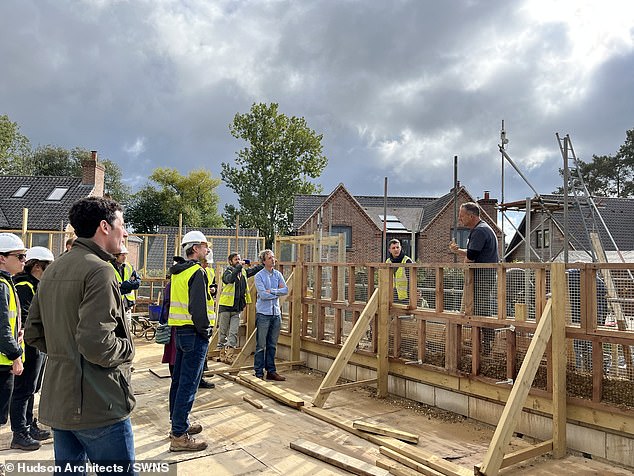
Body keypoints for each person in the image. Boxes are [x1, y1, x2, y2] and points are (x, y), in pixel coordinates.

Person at [24, 197, 136, 473]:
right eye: (122, 225)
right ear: (104, 227)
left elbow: (33, 332)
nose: (125, 233)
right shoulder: (100, 271)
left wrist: (66, 353)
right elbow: (96, 344)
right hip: (99, 405)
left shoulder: (55, 269)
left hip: (61, 402)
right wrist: (127, 348)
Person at [167, 230, 212, 452]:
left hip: (181, 332)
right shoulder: (196, 272)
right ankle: (179, 436)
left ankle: (177, 424)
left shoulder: (178, 272)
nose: (207, 249)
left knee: (178, 380)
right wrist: (206, 331)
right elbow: (198, 309)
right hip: (194, 333)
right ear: (195, 249)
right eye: (204, 246)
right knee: (189, 383)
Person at [10, 246, 55, 451]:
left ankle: (28, 425)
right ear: (37, 266)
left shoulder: (36, 285)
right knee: (23, 389)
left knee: (31, 388)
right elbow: (28, 319)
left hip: (37, 345)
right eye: (48, 267)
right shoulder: (25, 286)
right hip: (29, 346)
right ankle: (20, 432)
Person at [449, 202, 499, 354]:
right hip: (483, 275)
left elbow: (471, 255)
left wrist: (460, 254)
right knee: (478, 307)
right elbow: (473, 252)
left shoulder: (480, 231)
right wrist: (459, 251)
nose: (459, 219)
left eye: (462, 216)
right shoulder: (481, 229)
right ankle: (482, 343)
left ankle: (486, 344)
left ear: (471, 216)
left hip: (482, 276)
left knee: (481, 308)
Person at [0, 234, 26, 436]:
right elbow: (2, 329)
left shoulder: (7, 283)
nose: (24, 261)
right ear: (2, 258)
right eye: (19, 256)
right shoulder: (2, 286)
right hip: (3, 362)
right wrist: (16, 355)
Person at [217, 253, 263, 364]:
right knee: (223, 332)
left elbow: (253, 270)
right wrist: (238, 267)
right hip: (226, 307)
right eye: (236, 259)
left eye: (239, 259)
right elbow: (230, 279)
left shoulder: (242, 272)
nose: (238, 261)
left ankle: (229, 356)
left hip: (237, 309)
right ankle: (221, 354)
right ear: (230, 261)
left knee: (233, 332)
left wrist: (263, 263)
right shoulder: (227, 273)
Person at [254, 249, 288, 381]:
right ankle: (258, 372)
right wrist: (276, 292)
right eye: (269, 258)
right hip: (263, 314)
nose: (273, 260)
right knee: (261, 345)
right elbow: (262, 295)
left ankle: (271, 371)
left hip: (276, 314)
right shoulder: (259, 276)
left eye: (273, 257)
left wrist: (272, 291)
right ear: (263, 261)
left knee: (272, 344)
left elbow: (285, 290)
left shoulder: (278, 274)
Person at [110, 245, 141, 327]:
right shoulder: (108, 267)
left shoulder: (128, 266)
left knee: (127, 333)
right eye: (122, 255)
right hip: (115, 307)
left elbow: (137, 283)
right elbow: (111, 286)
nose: (125, 257)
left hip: (127, 307)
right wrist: (129, 286)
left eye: (125, 255)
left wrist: (122, 285)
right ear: (115, 256)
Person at [385, 239, 414, 303]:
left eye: (398, 247)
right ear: (389, 250)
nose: (396, 250)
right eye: (393, 248)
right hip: (391, 295)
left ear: (401, 248)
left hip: (405, 297)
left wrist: (412, 296)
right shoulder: (387, 262)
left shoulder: (407, 261)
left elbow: (412, 281)